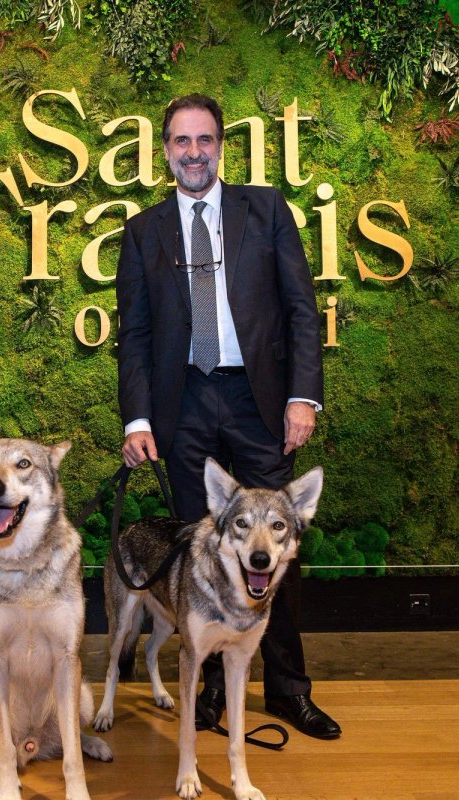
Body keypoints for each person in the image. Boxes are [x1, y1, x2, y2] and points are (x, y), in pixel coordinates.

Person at [115, 93, 340, 740]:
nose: (193, 152)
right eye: (181, 142)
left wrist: (304, 395)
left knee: (275, 552)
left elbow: (301, 308)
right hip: (181, 406)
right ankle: (211, 690)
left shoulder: (265, 209)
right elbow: (133, 336)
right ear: (165, 151)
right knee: (199, 552)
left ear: (220, 146)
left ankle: (288, 691)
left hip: (258, 402)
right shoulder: (142, 232)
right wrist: (137, 420)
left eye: (204, 140)